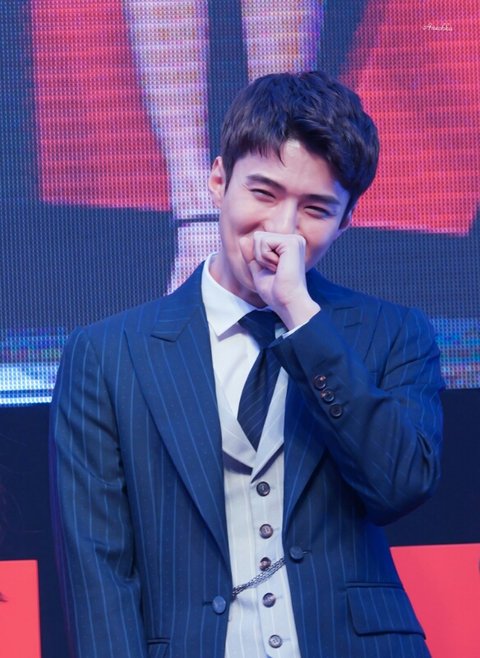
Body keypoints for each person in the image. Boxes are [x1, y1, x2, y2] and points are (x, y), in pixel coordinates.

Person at [49, 71, 444, 658]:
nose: (280, 231)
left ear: (346, 221)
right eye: (263, 194)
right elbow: (98, 570)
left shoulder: (394, 332)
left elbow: (400, 486)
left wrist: (302, 318)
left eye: (315, 209)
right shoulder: (108, 354)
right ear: (217, 181)